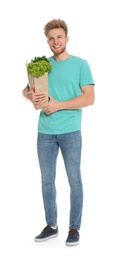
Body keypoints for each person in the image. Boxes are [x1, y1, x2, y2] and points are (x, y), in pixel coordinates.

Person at [22, 18, 95, 246]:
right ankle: (51, 226)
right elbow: (26, 89)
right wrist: (30, 96)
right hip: (44, 132)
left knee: (74, 180)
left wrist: (58, 105)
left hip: (70, 131)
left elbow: (89, 98)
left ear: (67, 38)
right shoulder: (42, 64)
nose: (55, 42)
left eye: (59, 37)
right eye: (51, 38)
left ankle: (74, 227)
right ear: (47, 41)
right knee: (47, 181)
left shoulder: (81, 64)